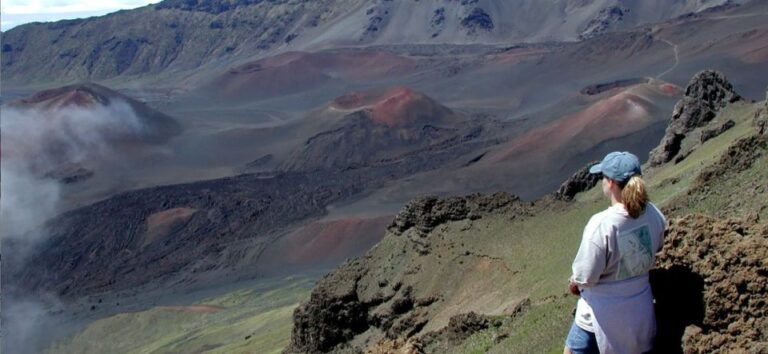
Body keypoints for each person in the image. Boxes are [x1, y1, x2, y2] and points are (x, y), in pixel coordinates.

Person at [564, 151, 666, 354]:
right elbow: (659, 246)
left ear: (610, 182)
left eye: (603, 177)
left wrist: (574, 283)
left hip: (600, 318)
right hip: (640, 315)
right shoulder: (654, 214)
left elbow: (585, 276)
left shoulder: (602, 224)